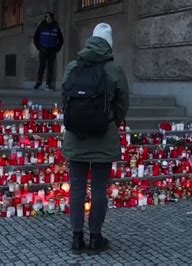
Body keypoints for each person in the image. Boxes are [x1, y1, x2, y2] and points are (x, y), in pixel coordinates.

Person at [61, 23, 129, 255]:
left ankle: (76, 237)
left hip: (76, 136)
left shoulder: (72, 66)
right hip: (104, 136)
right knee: (99, 188)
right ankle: (96, 238)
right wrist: (111, 123)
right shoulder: (115, 70)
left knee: (77, 188)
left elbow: (65, 101)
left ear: (90, 41)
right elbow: (123, 105)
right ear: (109, 44)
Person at [33, 12, 64, 91]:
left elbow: (61, 39)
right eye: (47, 17)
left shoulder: (56, 27)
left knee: (50, 68)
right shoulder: (41, 27)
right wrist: (39, 47)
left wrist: (57, 48)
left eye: (49, 17)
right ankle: (38, 82)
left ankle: (48, 84)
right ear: (45, 18)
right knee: (41, 66)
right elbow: (36, 38)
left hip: (52, 50)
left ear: (52, 18)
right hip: (43, 49)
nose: (48, 18)